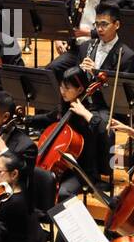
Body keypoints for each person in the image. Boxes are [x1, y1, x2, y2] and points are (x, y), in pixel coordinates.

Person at [25, 67, 108, 201]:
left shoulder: (90, 111)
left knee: (63, 192)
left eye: (67, 88)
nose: (62, 91)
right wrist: (26, 119)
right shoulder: (65, 106)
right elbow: (48, 118)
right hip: (62, 167)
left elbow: (102, 129)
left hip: (81, 171)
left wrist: (85, 113)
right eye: (61, 87)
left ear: (80, 90)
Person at [46, 2, 134, 111]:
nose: (99, 29)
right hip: (82, 105)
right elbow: (78, 85)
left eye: (104, 24)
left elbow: (121, 96)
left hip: (106, 110)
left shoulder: (127, 57)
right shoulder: (85, 47)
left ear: (117, 25)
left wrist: (96, 73)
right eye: (97, 24)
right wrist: (79, 74)